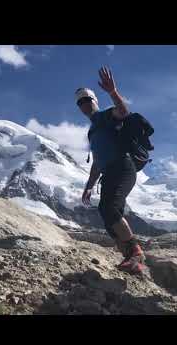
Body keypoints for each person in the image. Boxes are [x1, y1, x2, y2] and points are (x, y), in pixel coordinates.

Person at [77, 66, 146, 275]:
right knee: (106, 214)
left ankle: (136, 252)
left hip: (123, 167)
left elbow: (123, 111)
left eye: (87, 100)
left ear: (95, 101)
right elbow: (97, 162)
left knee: (109, 208)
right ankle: (131, 260)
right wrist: (89, 187)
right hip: (108, 172)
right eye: (80, 102)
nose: (84, 104)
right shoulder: (92, 131)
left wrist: (112, 91)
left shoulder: (105, 117)